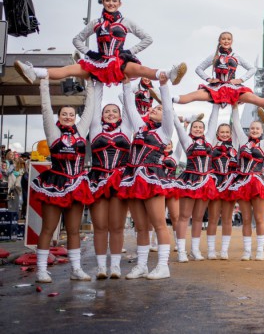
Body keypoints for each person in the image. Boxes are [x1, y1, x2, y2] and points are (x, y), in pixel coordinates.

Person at [15, 0, 186, 86]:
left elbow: (147, 38)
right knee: (68, 70)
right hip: (98, 62)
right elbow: (77, 39)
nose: (111, 3)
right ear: (103, 2)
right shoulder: (96, 22)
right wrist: (90, 52)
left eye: (114, 1)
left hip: (119, 61)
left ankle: (170, 74)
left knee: (143, 71)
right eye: (107, 0)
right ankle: (33, 72)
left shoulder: (126, 22)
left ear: (120, 3)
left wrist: (129, 51)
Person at [31, 78, 96, 283]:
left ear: (75, 118)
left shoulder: (81, 130)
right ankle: (41, 270)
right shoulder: (53, 131)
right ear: (58, 117)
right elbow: (45, 107)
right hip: (55, 184)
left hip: (76, 184)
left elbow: (90, 109)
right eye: (64, 114)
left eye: (71, 115)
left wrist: (90, 84)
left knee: (74, 229)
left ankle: (76, 269)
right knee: (48, 228)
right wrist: (44, 82)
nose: (68, 117)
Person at [117, 73, 175, 280]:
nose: (155, 109)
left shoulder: (165, 132)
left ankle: (163, 266)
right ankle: (141, 265)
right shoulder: (140, 127)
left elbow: (167, 108)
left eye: (158, 109)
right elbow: (130, 107)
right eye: (153, 107)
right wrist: (126, 84)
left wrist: (164, 85)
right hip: (133, 176)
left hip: (152, 176)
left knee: (158, 223)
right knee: (140, 226)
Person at [87, 80, 135, 279]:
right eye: (107, 111)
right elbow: (95, 104)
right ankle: (100, 267)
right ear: (101, 115)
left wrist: (126, 84)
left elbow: (129, 107)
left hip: (119, 181)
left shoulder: (126, 129)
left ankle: (115, 266)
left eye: (114, 111)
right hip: (97, 179)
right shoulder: (95, 129)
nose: (111, 114)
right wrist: (97, 83)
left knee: (116, 226)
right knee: (100, 226)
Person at [222, 107, 264, 261]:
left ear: (261, 130)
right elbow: (237, 125)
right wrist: (234, 107)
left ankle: (260, 250)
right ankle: (247, 251)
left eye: (257, 128)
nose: (254, 130)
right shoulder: (243, 141)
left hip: (257, 182)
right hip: (242, 182)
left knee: (259, 218)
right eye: (252, 128)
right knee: (246, 218)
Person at [170, 112, 217, 262]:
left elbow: (213, 120)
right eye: (195, 127)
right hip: (189, 180)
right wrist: (172, 110)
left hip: (205, 182)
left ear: (204, 130)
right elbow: (178, 127)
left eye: (200, 127)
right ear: (190, 130)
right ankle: (181, 251)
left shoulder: (209, 140)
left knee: (198, 217)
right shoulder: (187, 141)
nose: (197, 129)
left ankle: (195, 250)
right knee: (184, 216)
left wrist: (216, 103)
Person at [205, 105, 243, 260]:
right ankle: (211, 250)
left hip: (229, 183)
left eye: (227, 132)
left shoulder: (235, 144)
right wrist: (215, 105)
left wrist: (235, 107)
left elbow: (237, 125)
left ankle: (224, 250)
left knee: (227, 218)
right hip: (215, 182)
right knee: (213, 217)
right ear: (217, 133)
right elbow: (211, 124)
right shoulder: (212, 143)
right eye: (222, 132)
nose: (225, 134)